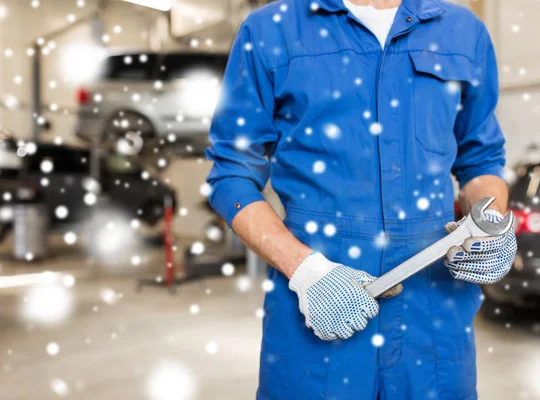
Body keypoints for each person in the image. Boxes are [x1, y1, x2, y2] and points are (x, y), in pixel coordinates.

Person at [205, 0, 517, 398]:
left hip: (434, 317)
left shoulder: (462, 31)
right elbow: (231, 174)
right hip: (317, 313)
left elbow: (481, 159)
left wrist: (489, 225)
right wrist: (305, 271)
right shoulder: (270, 31)